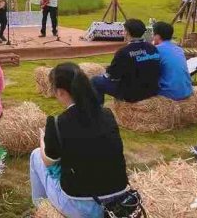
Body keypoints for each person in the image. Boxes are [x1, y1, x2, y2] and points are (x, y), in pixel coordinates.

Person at [30, 63, 129, 217]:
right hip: (119, 198)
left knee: (36, 155)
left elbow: (49, 161)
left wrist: (43, 141)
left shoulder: (57, 123)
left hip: (82, 206)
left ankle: (39, 206)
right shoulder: (107, 114)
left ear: (61, 92)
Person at [91, 19, 161, 105]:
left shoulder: (123, 52)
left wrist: (104, 75)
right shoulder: (153, 48)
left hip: (131, 94)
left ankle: (98, 112)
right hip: (151, 91)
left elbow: (112, 75)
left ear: (127, 32)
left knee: (95, 81)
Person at [152, 22, 193, 101]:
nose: (152, 37)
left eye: (153, 34)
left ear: (158, 36)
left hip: (169, 93)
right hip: (187, 90)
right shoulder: (179, 49)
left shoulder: (156, 50)